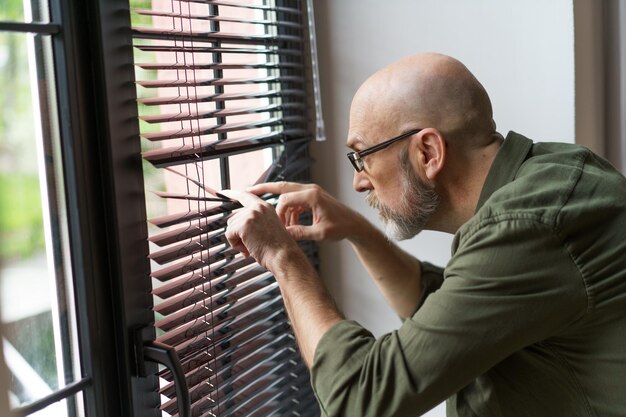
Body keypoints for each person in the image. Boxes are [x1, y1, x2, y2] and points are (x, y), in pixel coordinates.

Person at [222, 53, 626, 417]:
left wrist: (282, 257)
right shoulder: (552, 171)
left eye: (361, 157)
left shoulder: (526, 225)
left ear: (428, 152)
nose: (359, 182)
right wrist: (358, 230)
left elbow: (357, 400)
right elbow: (443, 311)